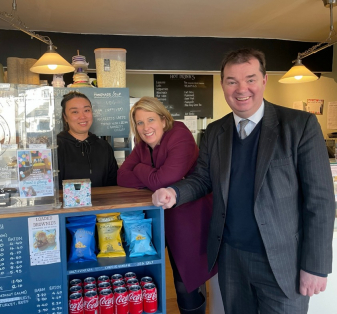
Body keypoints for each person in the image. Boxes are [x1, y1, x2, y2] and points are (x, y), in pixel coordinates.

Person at [152, 48, 335, 314]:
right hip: (231, 258)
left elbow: (320, 200)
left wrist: (316, 265)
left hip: (283, 262)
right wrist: (174, 192)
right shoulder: (215, 131)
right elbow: (203, 178)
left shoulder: (300, 125)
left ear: (264, 81)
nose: (242, 89)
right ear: (223, 84)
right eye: (232, 81)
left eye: (250, 79)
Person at [117, 97, 223, 314]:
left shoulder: (180, 136)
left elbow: (162, 181)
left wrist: (140, 170)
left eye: (151, 120)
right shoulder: (142, 145)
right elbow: (121, 176)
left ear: (163, 120)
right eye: (140, 123)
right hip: (159, 218)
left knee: (187, 282)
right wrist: (151, 175)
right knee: (148, 272)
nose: (146, 128)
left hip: (190, 218)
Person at [57, 91, 118, 188]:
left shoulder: (104, 147)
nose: (82, 117)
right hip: (65, 203)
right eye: (75, 112)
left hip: (101, 202)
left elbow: (113, 184)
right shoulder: (56, 147)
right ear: (65, 117)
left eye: (86, 110)